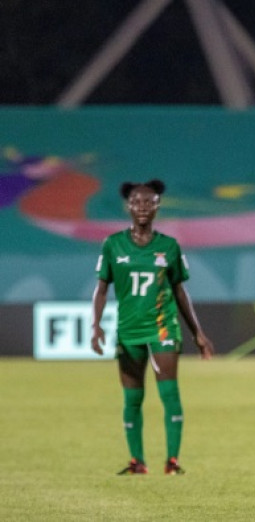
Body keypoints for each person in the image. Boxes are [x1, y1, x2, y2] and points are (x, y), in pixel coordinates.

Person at [90, 179, 214, 475]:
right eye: (137, 201)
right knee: (132, 398)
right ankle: (137, 462)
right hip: (129, 330)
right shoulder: (112, 244)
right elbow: (102, 289)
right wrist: (96, 326)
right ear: (128, 206)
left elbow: (181, 292)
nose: (142, 207)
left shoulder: (169, 247)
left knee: (169, 394)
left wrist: (198, 333)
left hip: (162, 329)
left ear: (158, 206)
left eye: (149, 201)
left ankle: (172, 462)